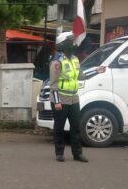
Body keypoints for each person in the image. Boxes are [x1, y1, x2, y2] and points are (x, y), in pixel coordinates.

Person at [50, 32, 88, 163]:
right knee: (59, 127)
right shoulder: (57, 61)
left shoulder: (75, 59)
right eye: (71, 41)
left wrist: (97, 70)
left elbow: (80, 76)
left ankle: (77, 154)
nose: (74, 44)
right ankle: (59, 153)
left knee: (76, 127)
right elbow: (53, 83)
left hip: (74, 98)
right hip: (60, 98)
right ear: (63, 44)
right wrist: (56, 101)